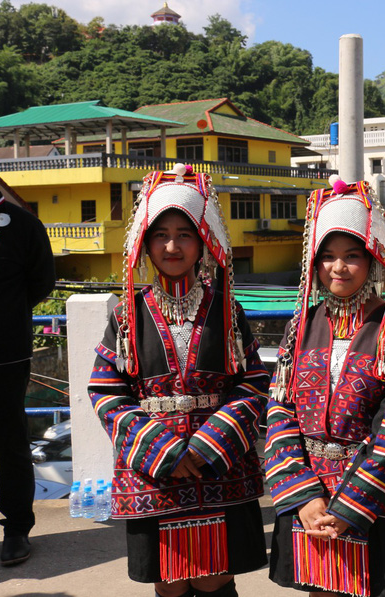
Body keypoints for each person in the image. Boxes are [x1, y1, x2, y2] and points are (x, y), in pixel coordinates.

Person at [88, 164, 268, 597]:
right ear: (145, 244)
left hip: (217, 466)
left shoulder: (227, 310)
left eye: (184, 234)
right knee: (168, 582)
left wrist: (208, 446)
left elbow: (254, 382)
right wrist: (164, 449)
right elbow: (106, 392)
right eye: (161, 234)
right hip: (154, 471)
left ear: (202, 242)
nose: (172, 245)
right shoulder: (126, 316)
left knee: (214, 576)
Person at [266, 177, 385, 597]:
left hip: (372, 490)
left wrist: (350, 503)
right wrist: (304, 496)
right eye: (328, 256)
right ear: (314, 264)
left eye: (352, 255)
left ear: (372, 261)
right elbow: (280, 411)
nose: (338, 267)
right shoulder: (300, 326)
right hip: (309, 491)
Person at [0, 133, 55, 566]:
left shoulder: (21, 224)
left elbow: (41, 284)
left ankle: (17, 530)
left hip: (1, 358)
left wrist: (3, 319)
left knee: (10, 446)